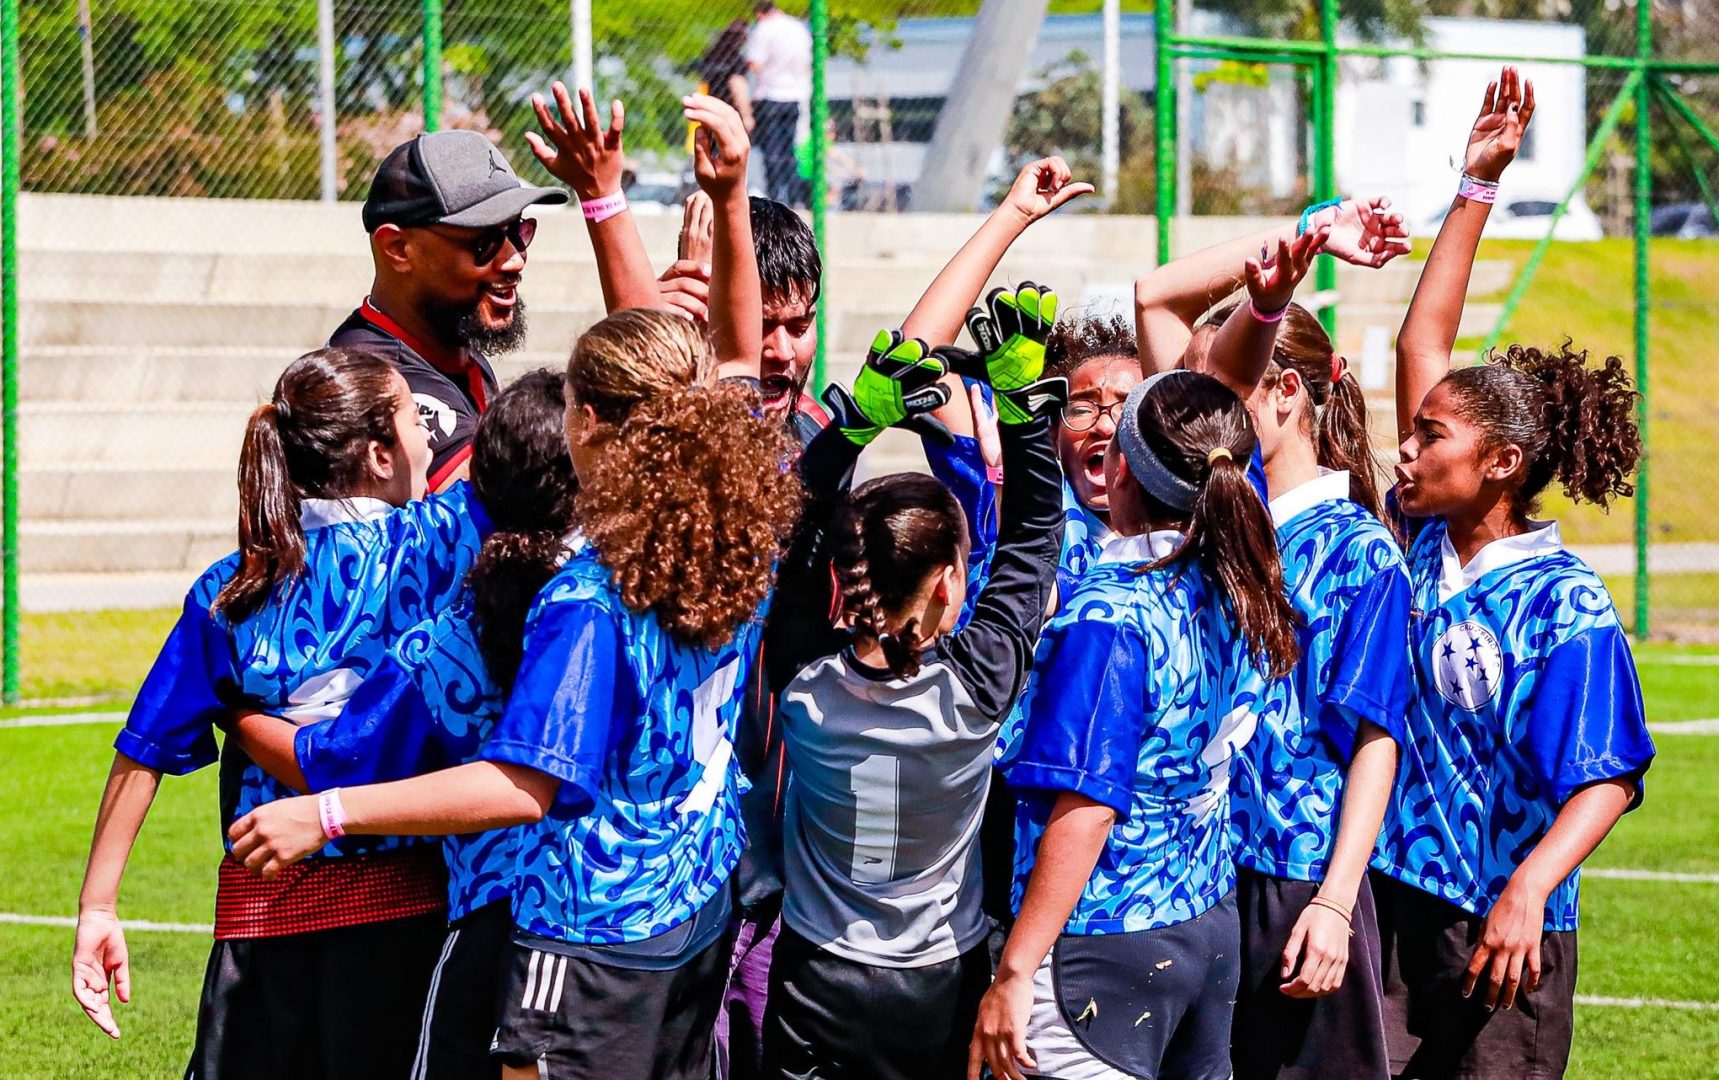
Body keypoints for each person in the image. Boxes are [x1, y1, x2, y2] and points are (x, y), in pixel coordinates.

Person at [227, 309, 803, 1080]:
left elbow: (526, 782)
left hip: (590, 935)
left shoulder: (591, 599)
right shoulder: (737, 537)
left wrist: (325, 811)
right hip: (692, 905)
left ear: (590, 423)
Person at [71, 348, 487, 1077]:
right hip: (402, 922)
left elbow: (144, 747)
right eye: (416, 419)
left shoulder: (233, 587)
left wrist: (98, 909)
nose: (431, 435)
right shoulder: (439, 543)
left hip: (259, 929)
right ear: (380, 451)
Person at [1372, 66, 1654, 1080]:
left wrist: (1529, 891)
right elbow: (1422, 342)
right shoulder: (1418, 545)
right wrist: (1475, 188)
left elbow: (1607, 777)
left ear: (1498, 463)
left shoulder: (1562, 602)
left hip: (1502, 924)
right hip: (1394, 898)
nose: (1405, 450)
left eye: (1429, 435)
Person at [213, 370, 577, 1080]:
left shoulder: (454, 639)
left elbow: (342, 760)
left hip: (508, 914)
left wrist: (240, 713)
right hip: (649, 925)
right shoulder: (638, 586)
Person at [759, 287, 1066, 1079]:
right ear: (946, 587)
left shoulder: (801, 681)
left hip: (816, 972)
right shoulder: (977, 687)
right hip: (935, 980)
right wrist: (1026, 408)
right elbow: (1035, 537)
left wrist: (850, 428)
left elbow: (785, 534)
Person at [970, 370, 1299, 1080]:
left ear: (1120, 467)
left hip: (1105, 936)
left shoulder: (1110, 615)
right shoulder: (1237, 582)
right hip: (1205, 922)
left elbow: (1086, 807)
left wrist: (1015, 969)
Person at [1198, 230, 1411, 1079]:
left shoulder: (1361, 551)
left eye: (1233, 393)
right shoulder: (1220, 525)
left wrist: (1331, 900)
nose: (1211, 419)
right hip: (1206, 874)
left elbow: (1374, 737)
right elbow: (1151, 299)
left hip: (1299, 878)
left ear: (1286, 392)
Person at [333, 129, 566, 489]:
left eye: (518, 231)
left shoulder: (449, 341)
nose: (514, 259)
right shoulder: (375, 380)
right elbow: (512, 509)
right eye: (484, 240)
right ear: (397, 247)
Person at [747, 0, 812, 206]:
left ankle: (774, 197)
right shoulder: (798, 28)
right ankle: (793, 197)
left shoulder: (764, 29)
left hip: (770, 95)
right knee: (788, 149)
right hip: (794, 96)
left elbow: (755, 63)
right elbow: (806, 63)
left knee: (771, 150)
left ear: (759, 13)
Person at [703, 19, 756, 133]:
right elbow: (737, 84)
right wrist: (746, 115)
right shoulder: (735, 58)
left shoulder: (711, 55)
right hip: (730, 113)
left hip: (711, 109)